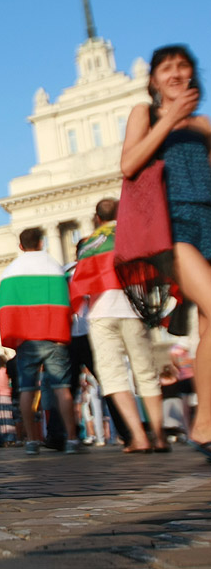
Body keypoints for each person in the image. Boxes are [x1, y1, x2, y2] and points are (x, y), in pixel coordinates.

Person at [121, 45, 211, 458]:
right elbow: (129, 164)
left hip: (208, 220)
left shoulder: (203, 124)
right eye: (166, 68)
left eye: (183, 66)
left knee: (209, 324)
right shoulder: (147, 113)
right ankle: (206, 425)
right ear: (154, 79)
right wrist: (171, 118)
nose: (176, 73)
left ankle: (206, 425)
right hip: (173, 226)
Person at [70, 198, 168, 452]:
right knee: (146, 373)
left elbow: (80, 283)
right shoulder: (135, 236)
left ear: (97, 218)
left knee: (113, 376)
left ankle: (138, 436)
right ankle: (158, 435)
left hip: (103, 313)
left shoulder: (90, 243)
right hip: (134, 309)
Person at [0, 227, 82, 455]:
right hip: (54, 336)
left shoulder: (10, 271)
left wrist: (14, 340)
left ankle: (32, 441)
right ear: (41, 243)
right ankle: (73, 439)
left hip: (27, 340)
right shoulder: (54, 266)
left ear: (21, 246)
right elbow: (67, 303)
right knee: (63, 389)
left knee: (27, 389)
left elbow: (6, 309)